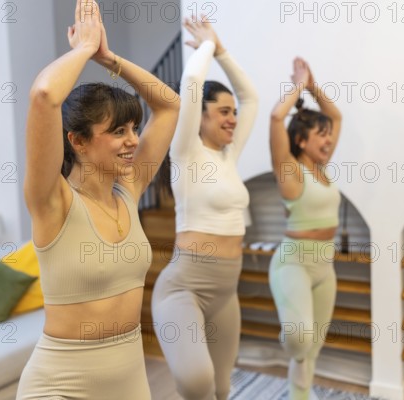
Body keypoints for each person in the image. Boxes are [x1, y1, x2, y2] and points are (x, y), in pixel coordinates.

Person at [16, 1, 180, 398]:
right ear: (78, 141)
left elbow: (170, 104)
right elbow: (43, 95)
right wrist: (83, 50)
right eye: (118, 131)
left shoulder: (130, 190)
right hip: (60, 384)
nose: (134, 141)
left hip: (129, 378)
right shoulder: (53, 202)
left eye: (135, 128)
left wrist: (110, 58)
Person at [151, 17, 258, 400]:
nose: (233, 118)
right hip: (184, 288)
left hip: (226, 292)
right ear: (203, 116)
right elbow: (191, 84)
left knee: (222, 389)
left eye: (233, 112)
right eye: (224, 112)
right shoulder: (186, 154)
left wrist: (224, 52)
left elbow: (252, 99)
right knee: (197, 383)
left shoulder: (230, 157)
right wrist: (207, 46)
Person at [268, 57, 343, 399]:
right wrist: (298, 85)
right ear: (300, 141)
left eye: (329, 136)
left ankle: (300, 395)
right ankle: (290, 330)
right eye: (321, 135)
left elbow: (336, 115)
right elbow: (276, 117)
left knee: (312, 348)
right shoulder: (291, 172)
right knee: (300, 338)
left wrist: (314, 85)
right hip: (294, 262)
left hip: (324, 267)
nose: (329, 141)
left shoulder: (322, 170)